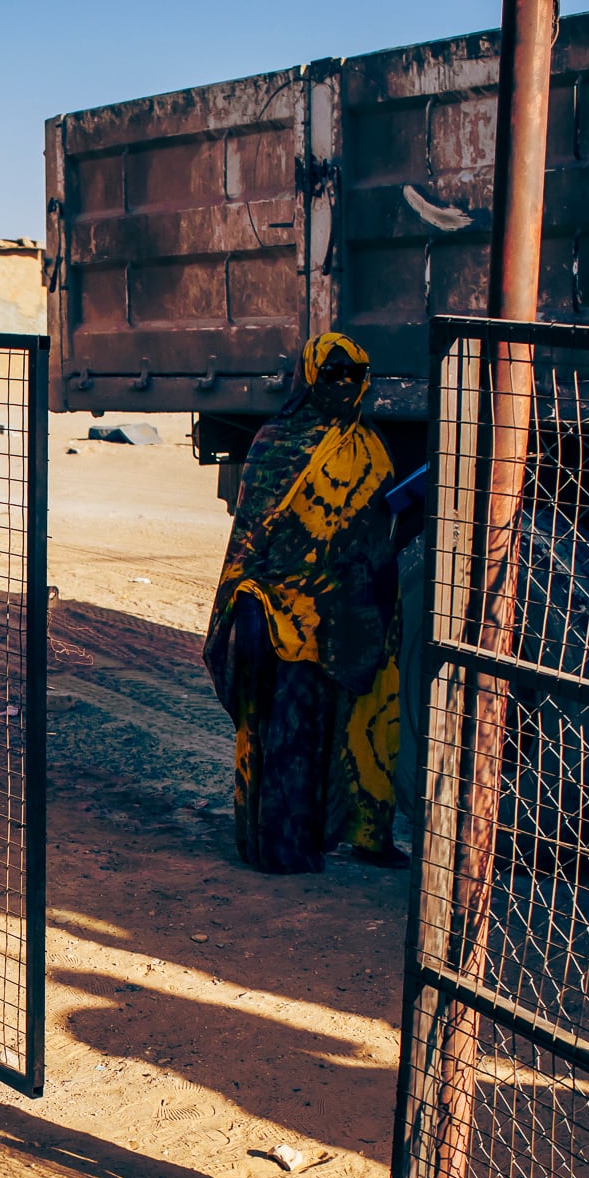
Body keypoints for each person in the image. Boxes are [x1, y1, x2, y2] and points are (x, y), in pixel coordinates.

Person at [201, 331, 404, 873]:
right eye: (331, 374)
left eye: (352, 376)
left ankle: (349, 837)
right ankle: (279, 850)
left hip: (343, 617)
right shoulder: (275, 442)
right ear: (310, 376)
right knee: (286, 736)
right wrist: (243, 607)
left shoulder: (372, 447)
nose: (342, 385)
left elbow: (378, 530)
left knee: (343, 731)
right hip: (279, 617)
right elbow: (249, 537)